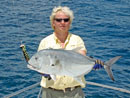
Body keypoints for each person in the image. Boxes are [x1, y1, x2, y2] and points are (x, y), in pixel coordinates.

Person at [38, 6, 104, 98]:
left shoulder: (77, 40)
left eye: (66, 20)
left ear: (70, 22)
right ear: (53, 22)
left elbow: (82, 58)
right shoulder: (45, 42)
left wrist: (92, 64)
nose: (62, 22)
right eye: (58, 20)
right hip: (50, 93)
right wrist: (43, 72)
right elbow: (40, 64)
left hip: (75, 93)